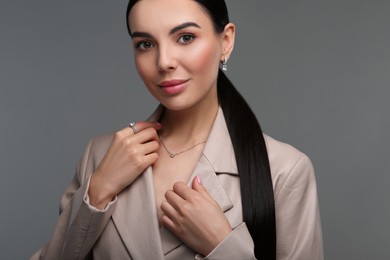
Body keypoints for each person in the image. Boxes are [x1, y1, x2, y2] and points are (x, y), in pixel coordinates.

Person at [31, 0, 323, 259]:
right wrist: (98, 191)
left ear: (226, 41)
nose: (164, 62)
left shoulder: (284, 170)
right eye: (145, 44)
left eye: (185, 37)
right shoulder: (100, 154)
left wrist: (223, 246)